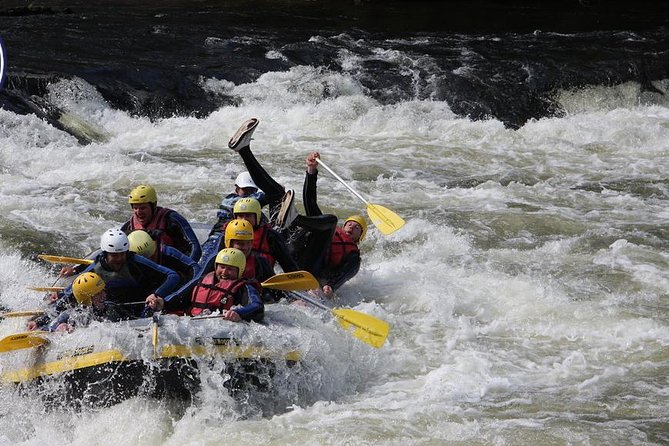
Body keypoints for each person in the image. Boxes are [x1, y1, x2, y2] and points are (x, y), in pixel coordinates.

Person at [285, 152, 366, 297]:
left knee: (330, 221)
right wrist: (311, 170)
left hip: (313, 273)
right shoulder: (326, 228)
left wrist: (331, 286)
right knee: (323, 220)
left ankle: (294, 218)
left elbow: (345, 273)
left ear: (359, 237)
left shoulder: (353, 256)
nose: (353, 227)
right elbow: (310, 201)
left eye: (357, 227)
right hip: (293, 256)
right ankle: (291, 219)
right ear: (343, 227)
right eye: (350, 224)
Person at [52, 228, 181, 319]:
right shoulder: (96, 268)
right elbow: (71, 292)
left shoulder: (135, 261)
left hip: (144, 308)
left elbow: (172, 276)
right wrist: (41, 320)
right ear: (105, 253)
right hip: (112, 311)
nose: (119, 259)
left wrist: (156, 294)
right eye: (114, 255)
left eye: (122, 254)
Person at [211, 118, 293, 233]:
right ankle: (244, 150)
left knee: (277, 195)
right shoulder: (231, 202)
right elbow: (274, 194)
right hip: (225, 243)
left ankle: (244, 150)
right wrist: (276, 190)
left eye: (252, 190)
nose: (249, 194)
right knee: (277, 193)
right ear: (236, 190)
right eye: (245, 190)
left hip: (248, 240)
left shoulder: (254, 211)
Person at [121, 184, 202, 262]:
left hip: (175, 266)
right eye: (135, 208)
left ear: (153, 206)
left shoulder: (171, 219)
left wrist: (189, 268)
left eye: (143, 208)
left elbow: (195, 247)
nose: (138, 212)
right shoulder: (129, 226)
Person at [230, 197, 299, 274]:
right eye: (240, 216)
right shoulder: (227, 233)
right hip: (232, 279)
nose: (244, 219)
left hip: (263, 279)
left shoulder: (271, 236)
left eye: (248, 216)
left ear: (257, 217)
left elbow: (289, 266)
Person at [47, 272, 130, 331]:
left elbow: (134, 320)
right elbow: (49, 327)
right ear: (86, 299)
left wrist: (144, 308)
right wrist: (58, 327)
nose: (104, 295)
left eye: (103, 291)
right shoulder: (74, 314)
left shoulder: (112, 307)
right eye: (98, 294)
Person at [127, 229, 200, 285]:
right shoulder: (126, 260)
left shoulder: (169, 253)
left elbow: (195, 268)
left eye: (151, 257)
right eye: (146, 259)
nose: (149, 261)